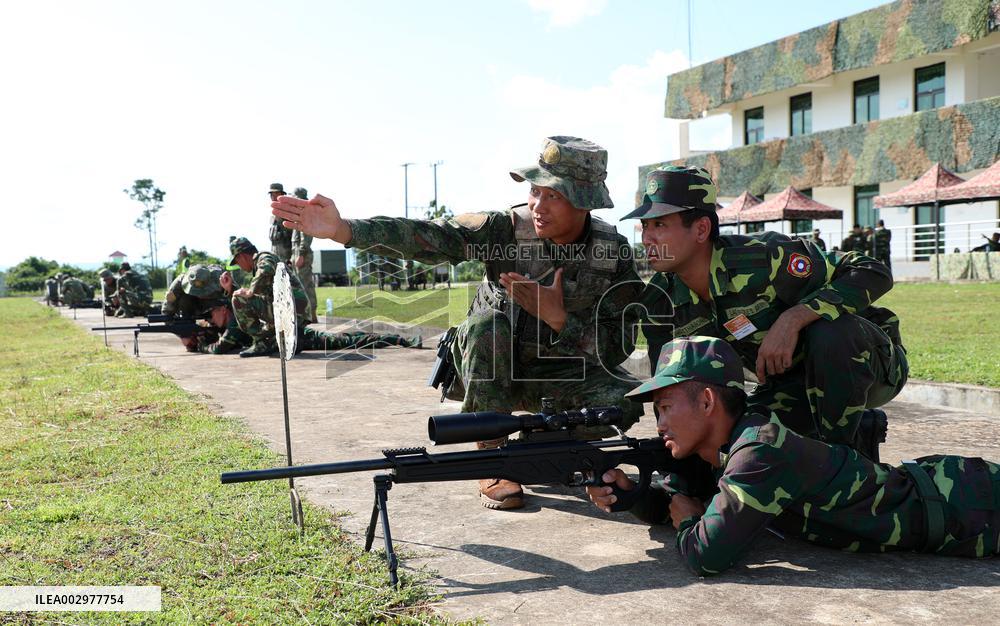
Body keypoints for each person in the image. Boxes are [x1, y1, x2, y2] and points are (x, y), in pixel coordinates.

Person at [272, 135, 645, 511]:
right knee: (487, 325)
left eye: (554, 195)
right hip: (495, 373)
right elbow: (429, 236)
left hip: (561, 377)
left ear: (584, 200)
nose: (538, 205)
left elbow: (619, 345)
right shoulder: (503, 231)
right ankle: (493, 458)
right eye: (535, 191)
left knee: (624, 400)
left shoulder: (611, 252)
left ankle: (567, 451)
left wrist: (558, 318)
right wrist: (343, 229)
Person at [587, 336, 1000, 576]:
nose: (659, 423)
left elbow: (705, 555)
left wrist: (689, 519)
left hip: (966, 505)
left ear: (708, 401)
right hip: (952, 501)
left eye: (664, 407)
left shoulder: (759, 451)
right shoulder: (724, 448)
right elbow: (680, 500)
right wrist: (632, 494)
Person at [626, 166, 907, 460]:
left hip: (867, 366)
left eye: (659, 224)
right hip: (787, 385)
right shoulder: (658, 301)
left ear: (701, 229)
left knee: (830, 332)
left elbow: (872, 271)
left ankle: (845, 460)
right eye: (645, 226)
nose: (647, 238)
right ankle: (835, 440)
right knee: (743, 445)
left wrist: (793, 319)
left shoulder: (764, 258)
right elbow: (669, 391)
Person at [227, 237, 419, 357]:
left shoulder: (263, 257)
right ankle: (396, 339)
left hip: (292, 317)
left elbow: (265, 270)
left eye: (238, 262)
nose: (239, 266)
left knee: (238, 298)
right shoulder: (259, 267)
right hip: (290, 327)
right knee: (340, 341)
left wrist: (249, 292)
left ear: (242, 256)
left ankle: (262, 342)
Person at [291, 187, 318, 323]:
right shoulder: (300, 214)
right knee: (301, 285)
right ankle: (306, 314)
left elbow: (305, 238)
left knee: (306, 285)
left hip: (302, 253)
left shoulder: (305, 215)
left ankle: (311, 314)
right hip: (297, 252)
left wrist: (300, 255)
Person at [268, 183, 293, 263]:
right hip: (275, 251)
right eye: (272, 194)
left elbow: (294, 233)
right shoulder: (273, 213)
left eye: (276, 193)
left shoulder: (287, 210)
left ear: (282, 195)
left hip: (286, 253)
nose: (273, 196)